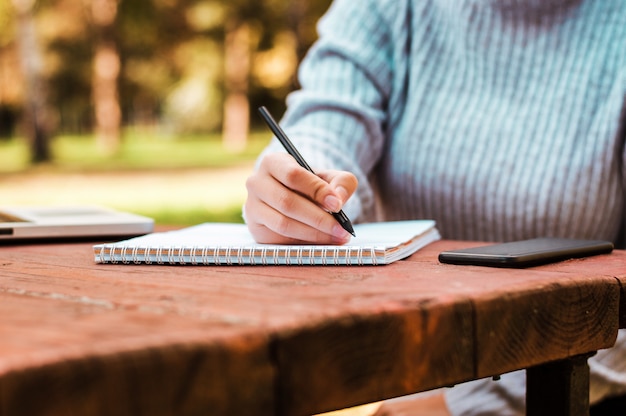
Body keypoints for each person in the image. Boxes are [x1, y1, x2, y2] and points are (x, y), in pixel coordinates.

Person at [244, 0, 626, 414]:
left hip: (575, 392)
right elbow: (330, 120)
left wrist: (461, 405)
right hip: (403, 384)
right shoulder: (389, 8)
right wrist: (303, 184)